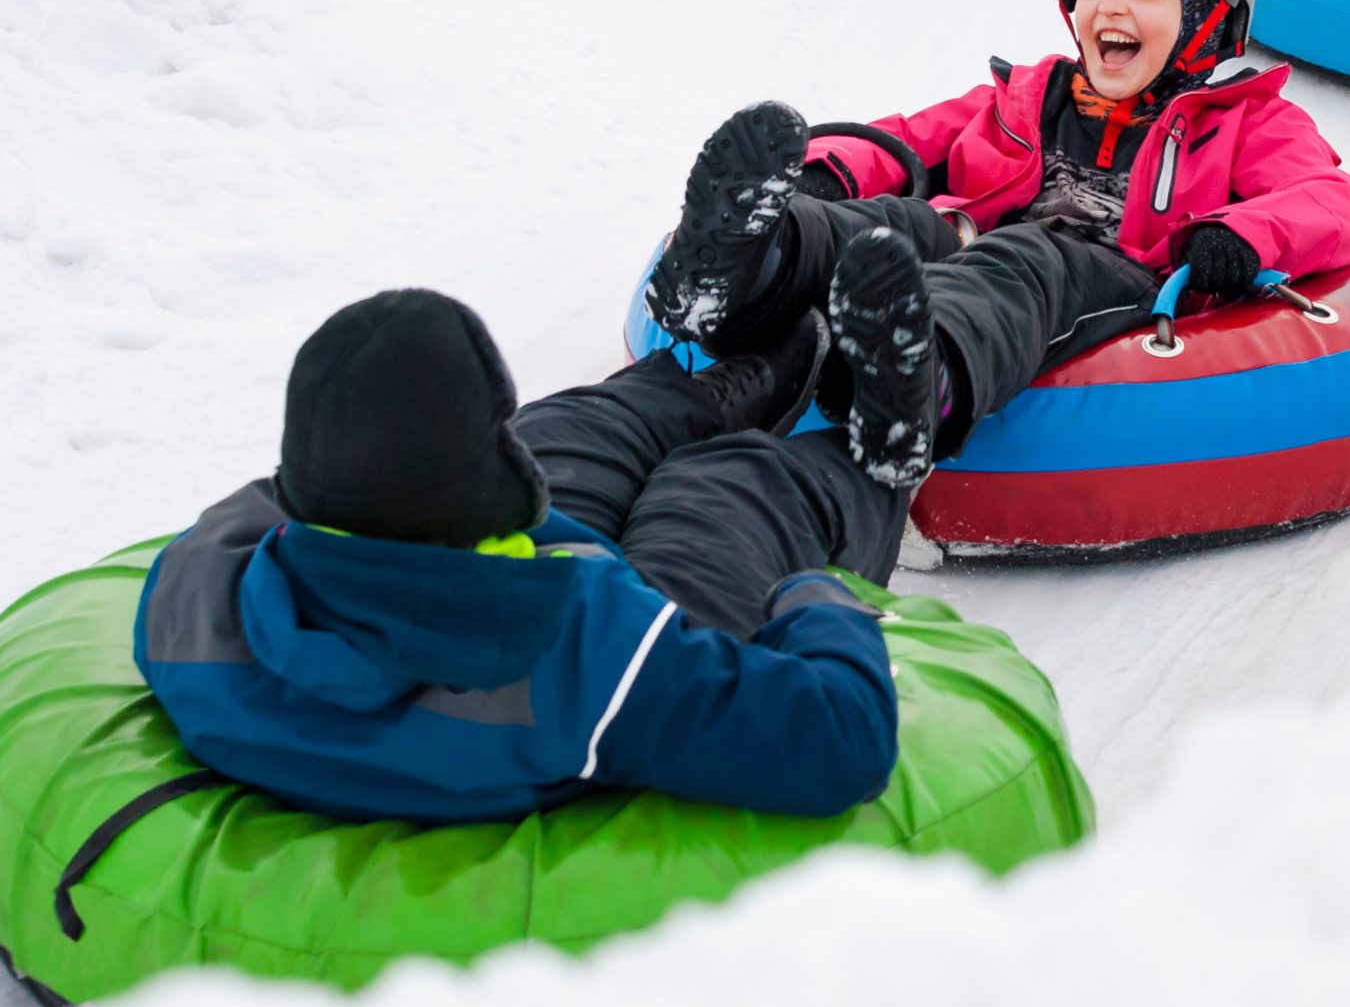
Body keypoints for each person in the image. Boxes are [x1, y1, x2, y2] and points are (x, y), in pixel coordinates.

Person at [646, 0, 1350, 489]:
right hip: (963, 246)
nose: (1113, 7)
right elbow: (907, 138)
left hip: (1102, 277)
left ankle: (916, 385)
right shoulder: (1025, 96)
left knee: (1025, 257)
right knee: (899, 225)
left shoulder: (1243, 120)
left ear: (1209, 27)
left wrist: (1238, 235)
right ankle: (743, 271)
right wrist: (822, 174)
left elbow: (1327, 201)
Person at [135, 287, 902, 825]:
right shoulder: (584, 661)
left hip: (445, 579)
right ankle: (876, 440)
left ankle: (724, 382)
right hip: (584, 634)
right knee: (726, 489)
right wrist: (812, 599)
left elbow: (285, 501)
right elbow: (844, 737)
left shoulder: (193, 587)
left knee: (564, 430)